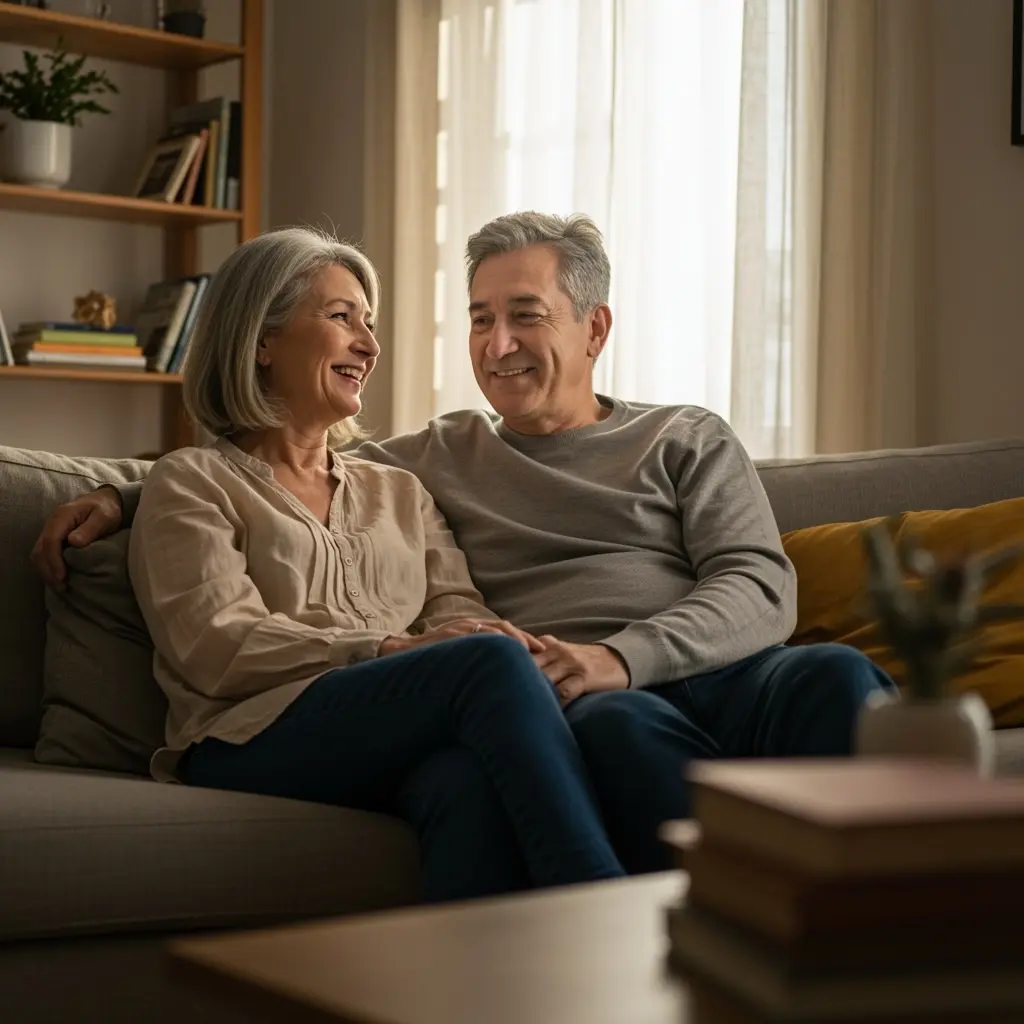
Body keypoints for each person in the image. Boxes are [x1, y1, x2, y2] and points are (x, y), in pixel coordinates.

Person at [34, 213, 895, 876]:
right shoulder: (439, 451)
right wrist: (121, 493)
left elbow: (752, 581)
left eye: (525, 316)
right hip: (523, 699)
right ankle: (628, 924)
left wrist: (602, 654)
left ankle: (882, 943)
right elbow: (248, 487)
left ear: (595, 329)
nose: (498, 343)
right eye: (481, 319)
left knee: (836, 675)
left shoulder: (672, 437)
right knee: (592, 723)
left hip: (700, 671)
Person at [82, 226, 626, 903]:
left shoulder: (397, 488)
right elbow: (216, 644)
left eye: (369, 323)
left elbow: (454, 605)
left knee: (464, 782)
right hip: (246, 737)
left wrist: (488, 635)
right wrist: (392, 648)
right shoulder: (193, 482)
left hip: (379, 729)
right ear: (261, 340)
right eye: (342, 318)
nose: (368, 343)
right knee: (485, 668)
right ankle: (609, 909)